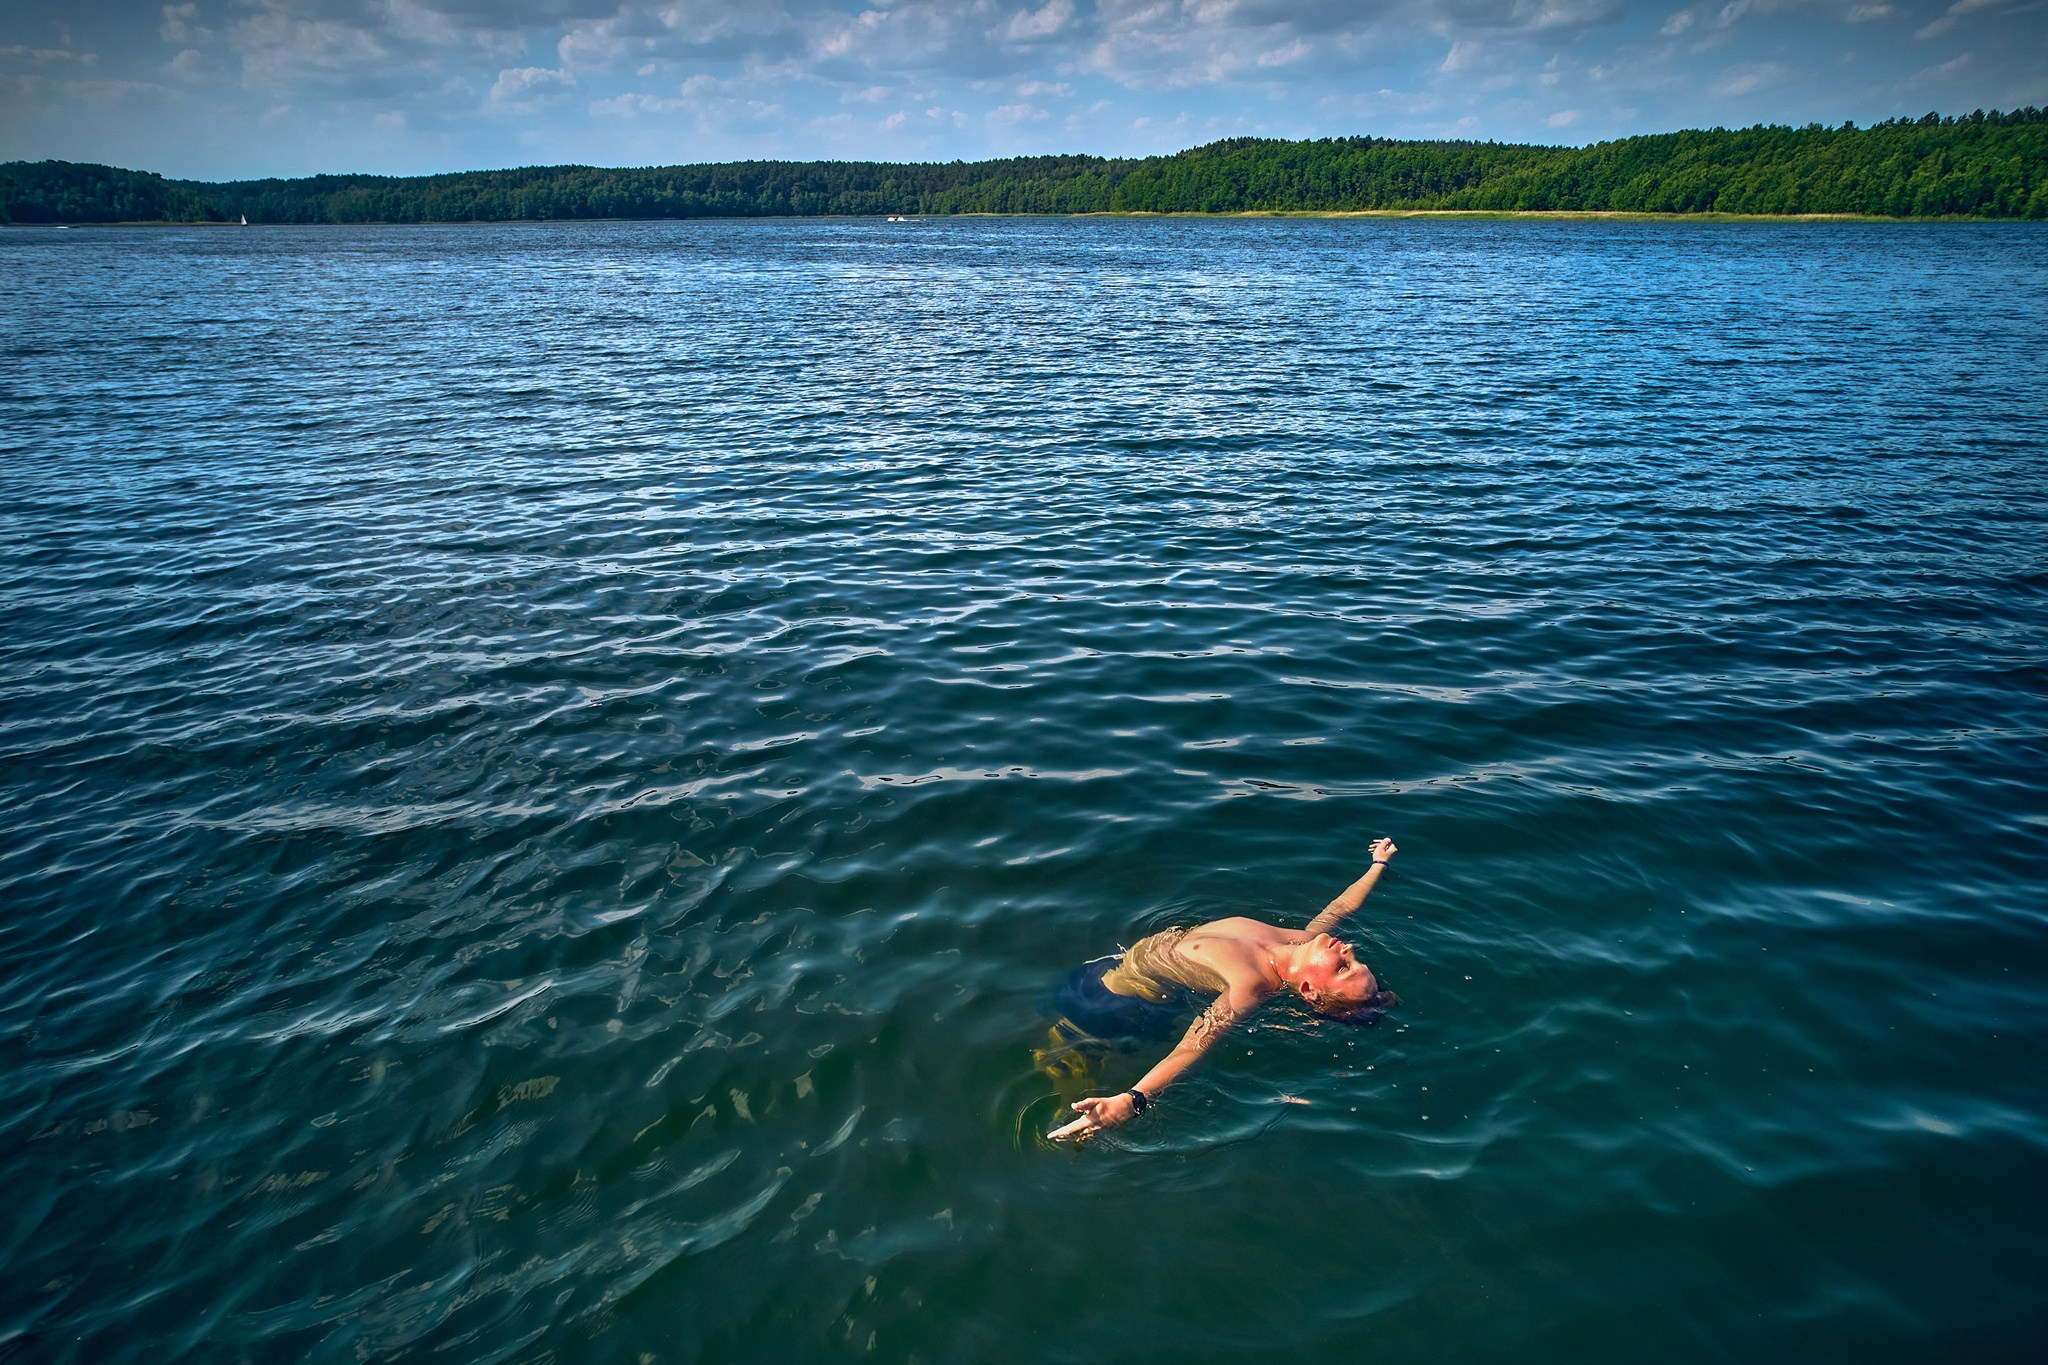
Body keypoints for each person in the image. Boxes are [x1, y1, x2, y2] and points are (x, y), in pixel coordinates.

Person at [1047, 838, 1399, 1143]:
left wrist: (1132, 1100)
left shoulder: (1253, 985)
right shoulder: (1303, 940)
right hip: (1122, 966)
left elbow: (1192, 1047)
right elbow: (1341, 907)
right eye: (1354, 959)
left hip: (1120, 1001)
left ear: (1307, 988)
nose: (1348, 949)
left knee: (1059, 1059)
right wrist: (1378, 865)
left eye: (1343, 967)